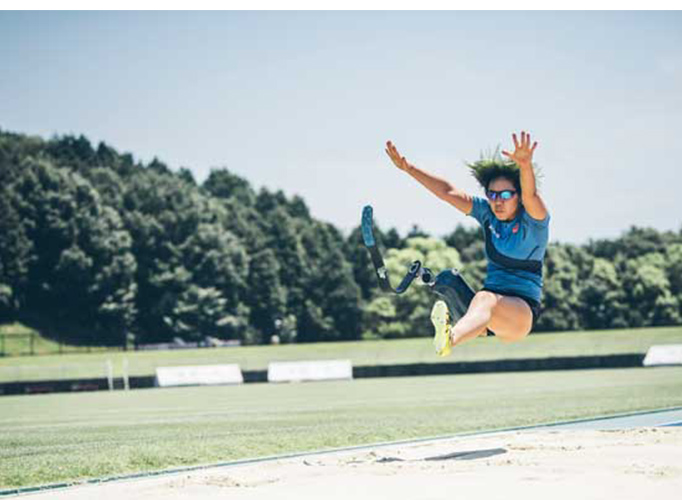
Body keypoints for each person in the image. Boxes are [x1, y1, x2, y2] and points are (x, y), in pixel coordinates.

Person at [385, 131, 550, 356]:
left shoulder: (534, 223)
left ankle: (450, 338)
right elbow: (447, 192)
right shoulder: (487, 214)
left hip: (520, 313)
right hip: (485, 309)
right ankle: (459, 332)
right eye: (492, 195)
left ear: (518, 197)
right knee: (447, 280)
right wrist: (409, 169)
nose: (497, 201)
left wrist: (525, 166)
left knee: (485, 298)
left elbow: (531, 195)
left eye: (505, 195)